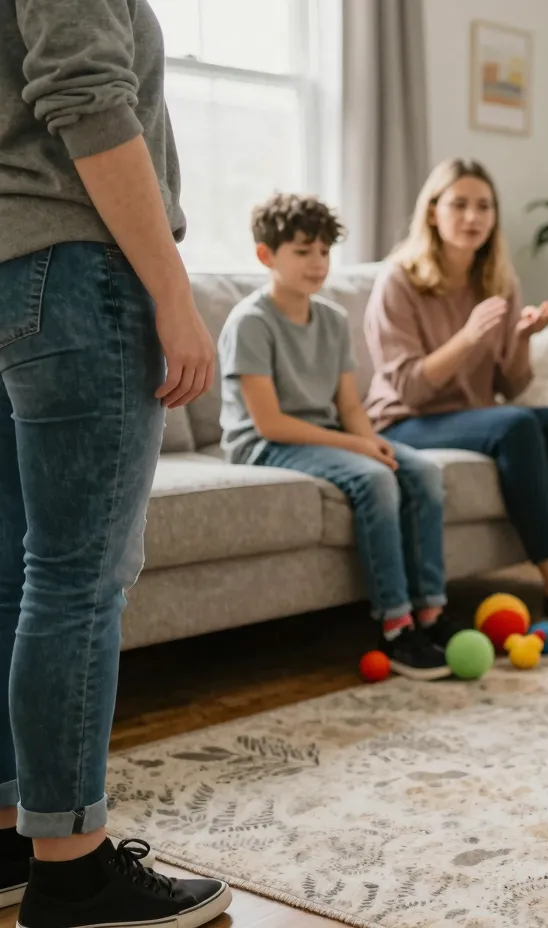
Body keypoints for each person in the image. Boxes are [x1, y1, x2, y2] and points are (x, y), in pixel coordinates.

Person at [0, 2, 233, 926]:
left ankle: (17, 831)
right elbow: (89, 97)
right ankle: (73, 871)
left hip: (11, 272)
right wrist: (172, 291)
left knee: (21, 575)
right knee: (77, 581)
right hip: (78, 269)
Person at [217, 193, 459, 681]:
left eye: (324, 251)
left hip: (324, 434)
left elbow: (349, 405)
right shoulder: (250, 323)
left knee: (422, 473)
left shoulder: (331, 318)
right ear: (266, 256)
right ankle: (395, 627)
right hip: (264, 444)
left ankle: (431, 614)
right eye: (303, 251)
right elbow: (269, 424)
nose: (317, 263)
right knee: (375, 480)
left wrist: (372, 441)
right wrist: (358, 448)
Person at [363, 158, 548, 639]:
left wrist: (522, 341)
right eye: (459, 205)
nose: (472, 217)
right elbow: (408, 385)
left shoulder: (497, 282)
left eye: (483, 207)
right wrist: (469, 337)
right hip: (403, 420)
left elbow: (510, 388)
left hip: (470, 416)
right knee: (515, 425)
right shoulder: (399, 281)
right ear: (433, 212)